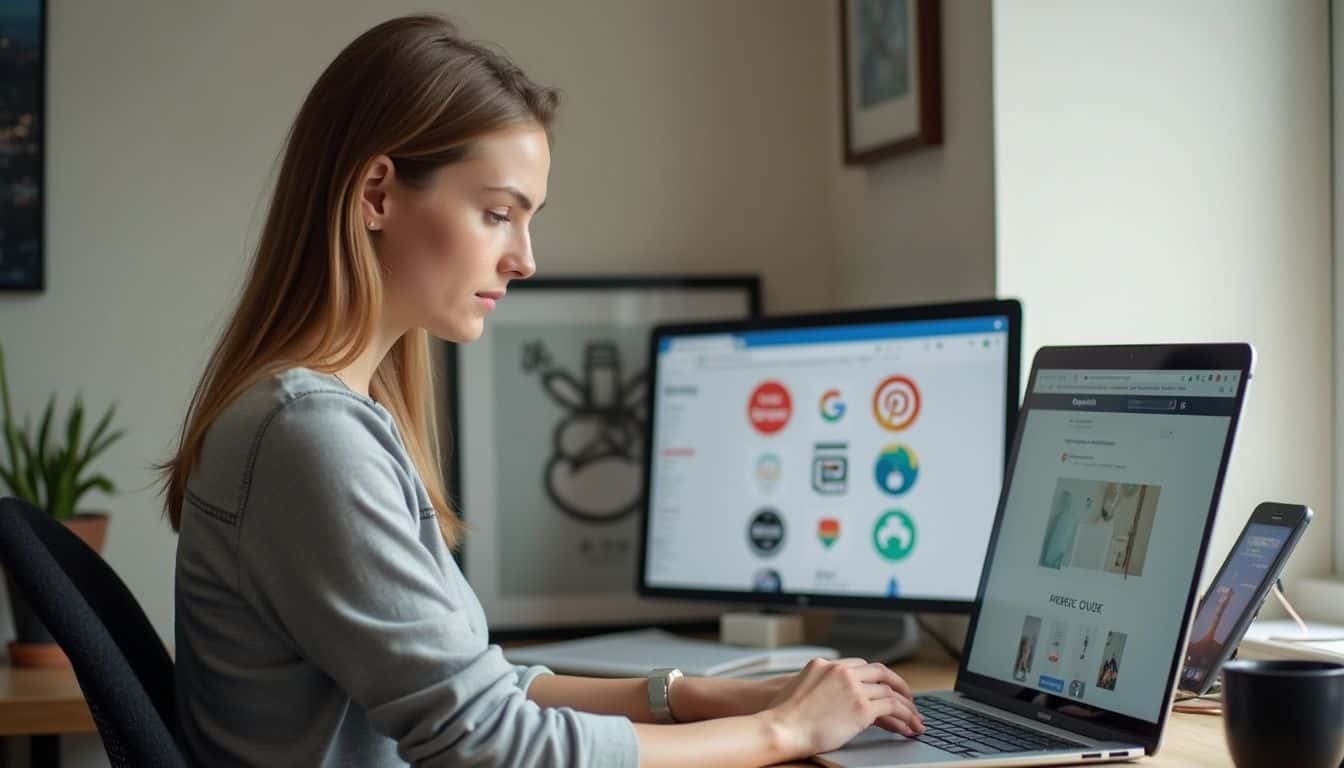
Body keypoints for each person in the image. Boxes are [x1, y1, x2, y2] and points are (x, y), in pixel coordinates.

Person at [158, 14, 922, 767]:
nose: (524, 259)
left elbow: (483, 693)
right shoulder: (308, 435)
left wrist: (705, 696)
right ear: (378, 195)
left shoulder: (321, 419)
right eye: (498, 214)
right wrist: (783, 733)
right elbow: (489, 743)